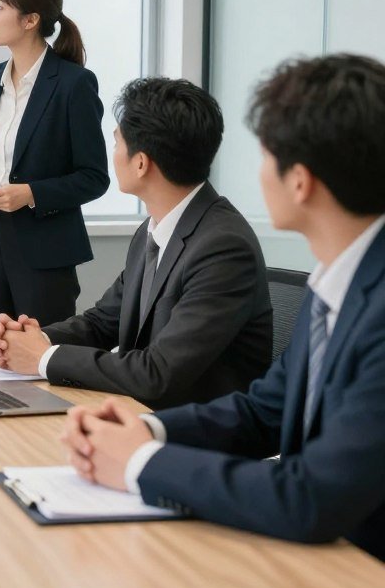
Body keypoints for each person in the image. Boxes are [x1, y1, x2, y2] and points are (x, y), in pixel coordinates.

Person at [60, 54, 385, 560]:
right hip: (326, 557)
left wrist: (142, 463)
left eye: (264, 156)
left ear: (299, 181)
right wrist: (147, 430)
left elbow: (310, 497)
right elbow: (262, 415)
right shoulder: (338, 283)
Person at [0, 78, 272, 408]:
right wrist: (34, 340)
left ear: (141, 162)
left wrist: (43, 358)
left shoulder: (223, 247)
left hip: (195, 435)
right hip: (141, 415)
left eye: (118, 143)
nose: (114, 154)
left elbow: (158, 374)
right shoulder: (155, 228)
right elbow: (103, 321)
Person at [0, 0, 109, 326]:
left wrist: (31, 193)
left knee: (39, 360)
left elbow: (93, 177)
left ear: (30, 19)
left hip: (45, 247)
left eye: (0, 6)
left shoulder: (73, 84)